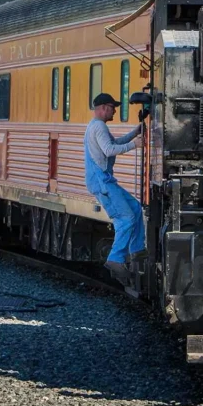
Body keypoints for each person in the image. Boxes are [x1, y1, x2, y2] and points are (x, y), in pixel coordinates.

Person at [84, 92, 147, 285]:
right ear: (103, 108)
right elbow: (109, 150)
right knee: (126, 217)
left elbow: (114, 143)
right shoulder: (99, 126)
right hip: (102, 182)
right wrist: (134, 145)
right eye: (112, 108)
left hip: (105, 180)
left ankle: (136, 251)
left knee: (136, 208)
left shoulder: (95, 126)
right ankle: (115, 259)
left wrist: (134, 133)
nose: (115, 111)